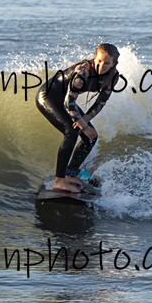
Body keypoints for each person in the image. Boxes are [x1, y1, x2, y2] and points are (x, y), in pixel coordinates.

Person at [36, 43, 120, 193]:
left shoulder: (113, 77)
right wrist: (82, 124)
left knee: (91, 137)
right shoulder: (83, 72)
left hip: (63, 99)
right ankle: (59, 180)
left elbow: (101, 102)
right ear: (94, 57)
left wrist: (86, 120)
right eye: (99, 61)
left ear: (114, 64)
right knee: (71, 131)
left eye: (107, 63)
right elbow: (69, 102)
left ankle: (71, 173)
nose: (102, 66)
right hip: (48, 95)